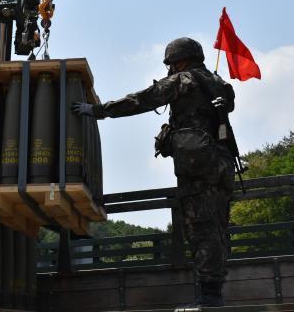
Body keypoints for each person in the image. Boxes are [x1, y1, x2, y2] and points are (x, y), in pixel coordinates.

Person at [72, 37, 236, 307]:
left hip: (198, 168)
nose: (169, 68)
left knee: (201, 230)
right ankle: (213, 291)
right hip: (223, 166)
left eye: (171, 63)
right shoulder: (219, 83)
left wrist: (98, 111)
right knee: (218, 229)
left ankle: (209, 298)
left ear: (180, 61)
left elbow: (141, 101)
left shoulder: (182, 81)